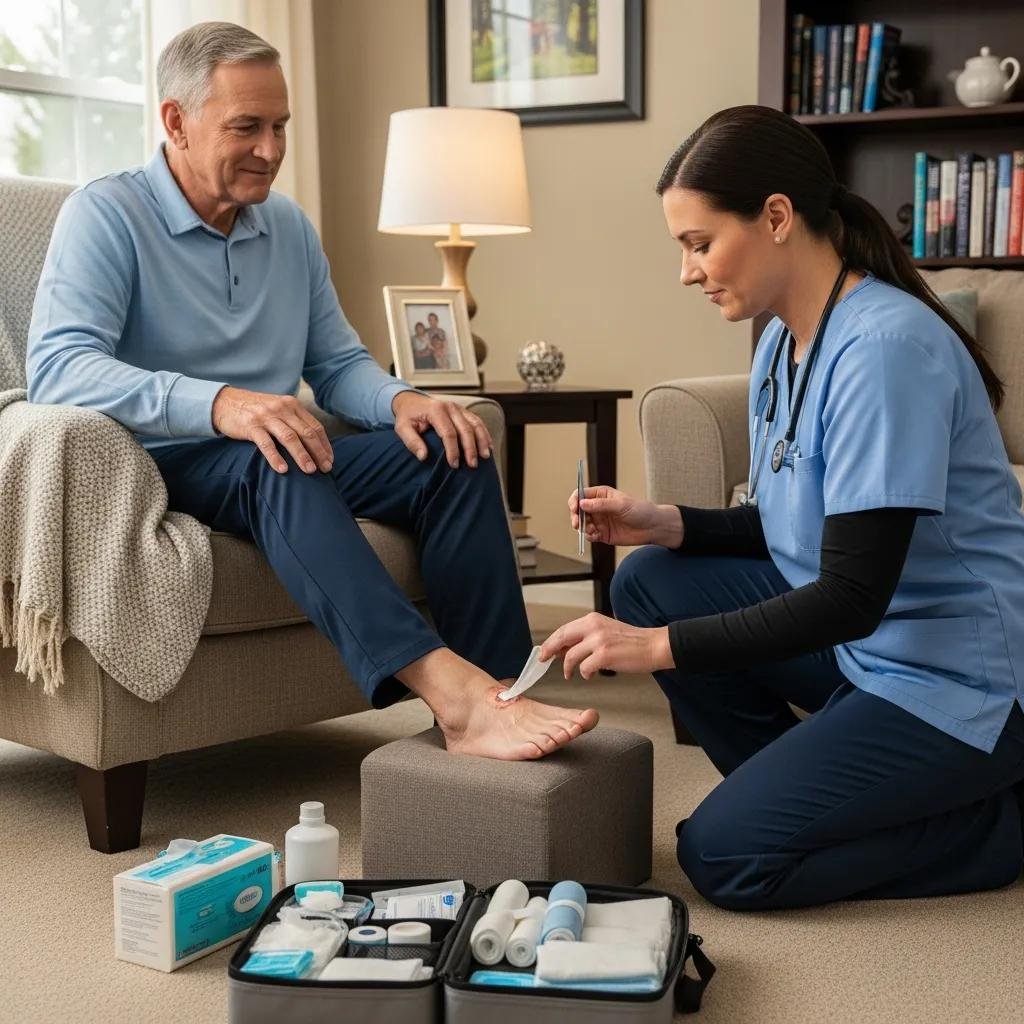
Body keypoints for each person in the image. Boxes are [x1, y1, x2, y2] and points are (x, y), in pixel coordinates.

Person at [26, 21, 597, 762]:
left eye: (281, 126)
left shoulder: (288, 228)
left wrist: (402, 402)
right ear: (176, 121)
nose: (271, 150)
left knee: (452, 449)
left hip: (274, 452)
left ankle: (501, 697)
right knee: (280, 453)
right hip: (159, 465)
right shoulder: (107, 215)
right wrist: (221, 402)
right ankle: (451, 697)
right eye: (246, 127)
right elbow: (60, 368)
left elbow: (336, 363)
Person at [540, 105, 1024, 908]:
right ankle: (820, 793)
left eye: (699, 244)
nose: (687, 271)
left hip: (959, 680)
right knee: (649, 577)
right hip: (868, 650)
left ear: (775, 217)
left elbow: (850, 595)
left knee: (725, 857)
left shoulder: (884, 351)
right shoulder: (780, 342)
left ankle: (997, 825)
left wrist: (656, 649)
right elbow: (799, 524)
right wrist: (664, 521)